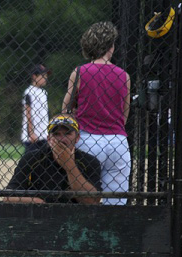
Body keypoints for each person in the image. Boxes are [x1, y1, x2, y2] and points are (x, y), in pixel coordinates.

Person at [62, 21, 131, 205]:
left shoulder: (80, 72)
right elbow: (124, 114)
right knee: (116, 202)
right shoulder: (123, 75)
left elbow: (65, 108)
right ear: (110, 46)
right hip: (117, 140)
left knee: (86, 198)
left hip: (87, 139)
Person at [5, 114, 101, 204]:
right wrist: (37, 202)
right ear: (49, 139)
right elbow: (8, 197)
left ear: (77, 138)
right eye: (56, 134)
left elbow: (92, 201)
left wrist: (70, 166)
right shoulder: (32, 159)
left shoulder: (89, 161)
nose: (62, 139)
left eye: (67, 134)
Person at [22, 64, 50, 153]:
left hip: (44, 134)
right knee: (30, 160)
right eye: (43, 76)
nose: (45, 78)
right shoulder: (29, 92)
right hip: (33, 136)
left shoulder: (44, 92)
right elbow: (28, 113)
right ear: (34, 76)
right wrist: (31, 133)